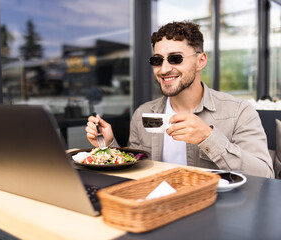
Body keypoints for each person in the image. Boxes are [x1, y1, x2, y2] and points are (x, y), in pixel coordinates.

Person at [85, 21, 274, 178]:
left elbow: (265, 175)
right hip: (158, 209)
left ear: (201, 61)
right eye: (157, 60)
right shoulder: (143, 113)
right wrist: (107, 144)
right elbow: (135, 171)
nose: (164, 69)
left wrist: (208, 138)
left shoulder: (238, 111)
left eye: (175, 58)